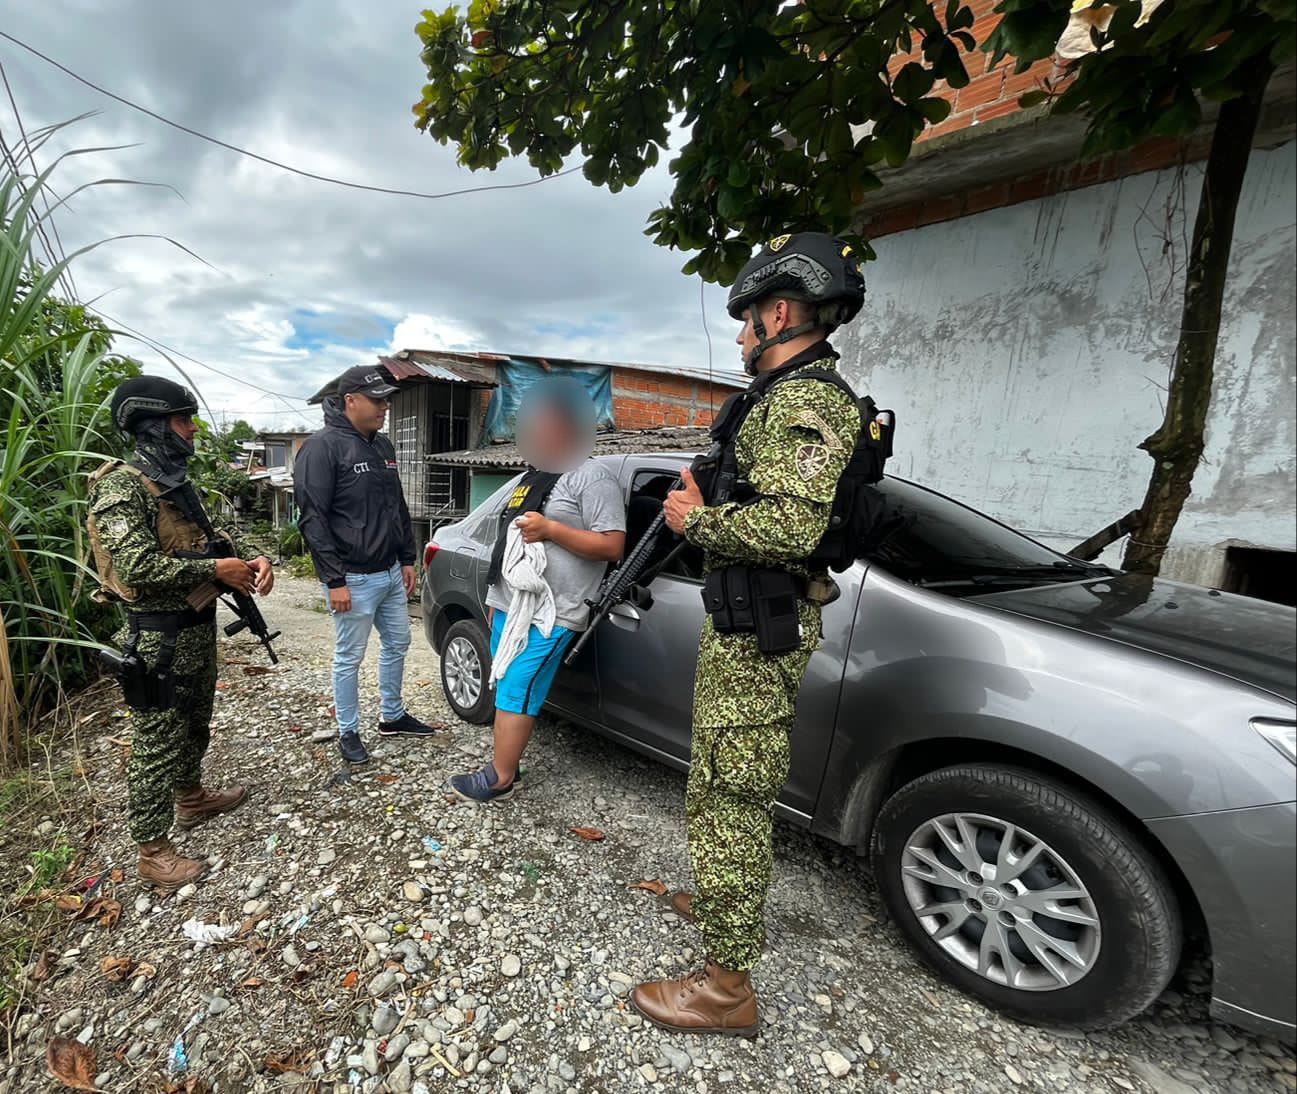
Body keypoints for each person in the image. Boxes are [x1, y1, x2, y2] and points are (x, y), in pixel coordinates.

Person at [630, 232, 867, 1035]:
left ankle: (726, 988)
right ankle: (722, 923)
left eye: (742, 323)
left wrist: (699, 521)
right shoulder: (779, 398)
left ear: (776, 312)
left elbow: (794, 526)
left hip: (760, 629)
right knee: (717, 789)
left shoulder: (806, 400)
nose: (737, 339)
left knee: (728, 799)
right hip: (744, 624)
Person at [87, 376, 274, 890]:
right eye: (183, 420)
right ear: (153, 425)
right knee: (155, 741)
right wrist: (214, 570)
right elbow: (138, 565)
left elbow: (213, 538)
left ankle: (190, 798)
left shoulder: (173, 482)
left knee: (196, 721)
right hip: (158, 637)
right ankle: (152, 850)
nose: (192, 430)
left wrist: (249, 560)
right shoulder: (121, 485)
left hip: (195, 628)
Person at [449, 379, 626, 802]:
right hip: (512, 604)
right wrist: (497, 600)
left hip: (553, 610)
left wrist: (551, 529)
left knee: (516, 689)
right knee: (507, 681)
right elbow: (506, 541)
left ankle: (500, 778)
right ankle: (504, 764)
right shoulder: (534, 476)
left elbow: (612, 545)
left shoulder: (591, 477)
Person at [294, 364, 442, 765]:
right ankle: (348, 730)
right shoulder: (322, 448)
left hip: (392, 572)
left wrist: (407, 557)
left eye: (386, 400)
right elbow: (312, 519)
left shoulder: (383, 447)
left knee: (399, 641)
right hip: (353, 578)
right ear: (350, 401)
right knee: (349, 657)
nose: (384, 407)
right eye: (377, 400)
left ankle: (392, 716)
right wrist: (333, 579)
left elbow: (396, 505)